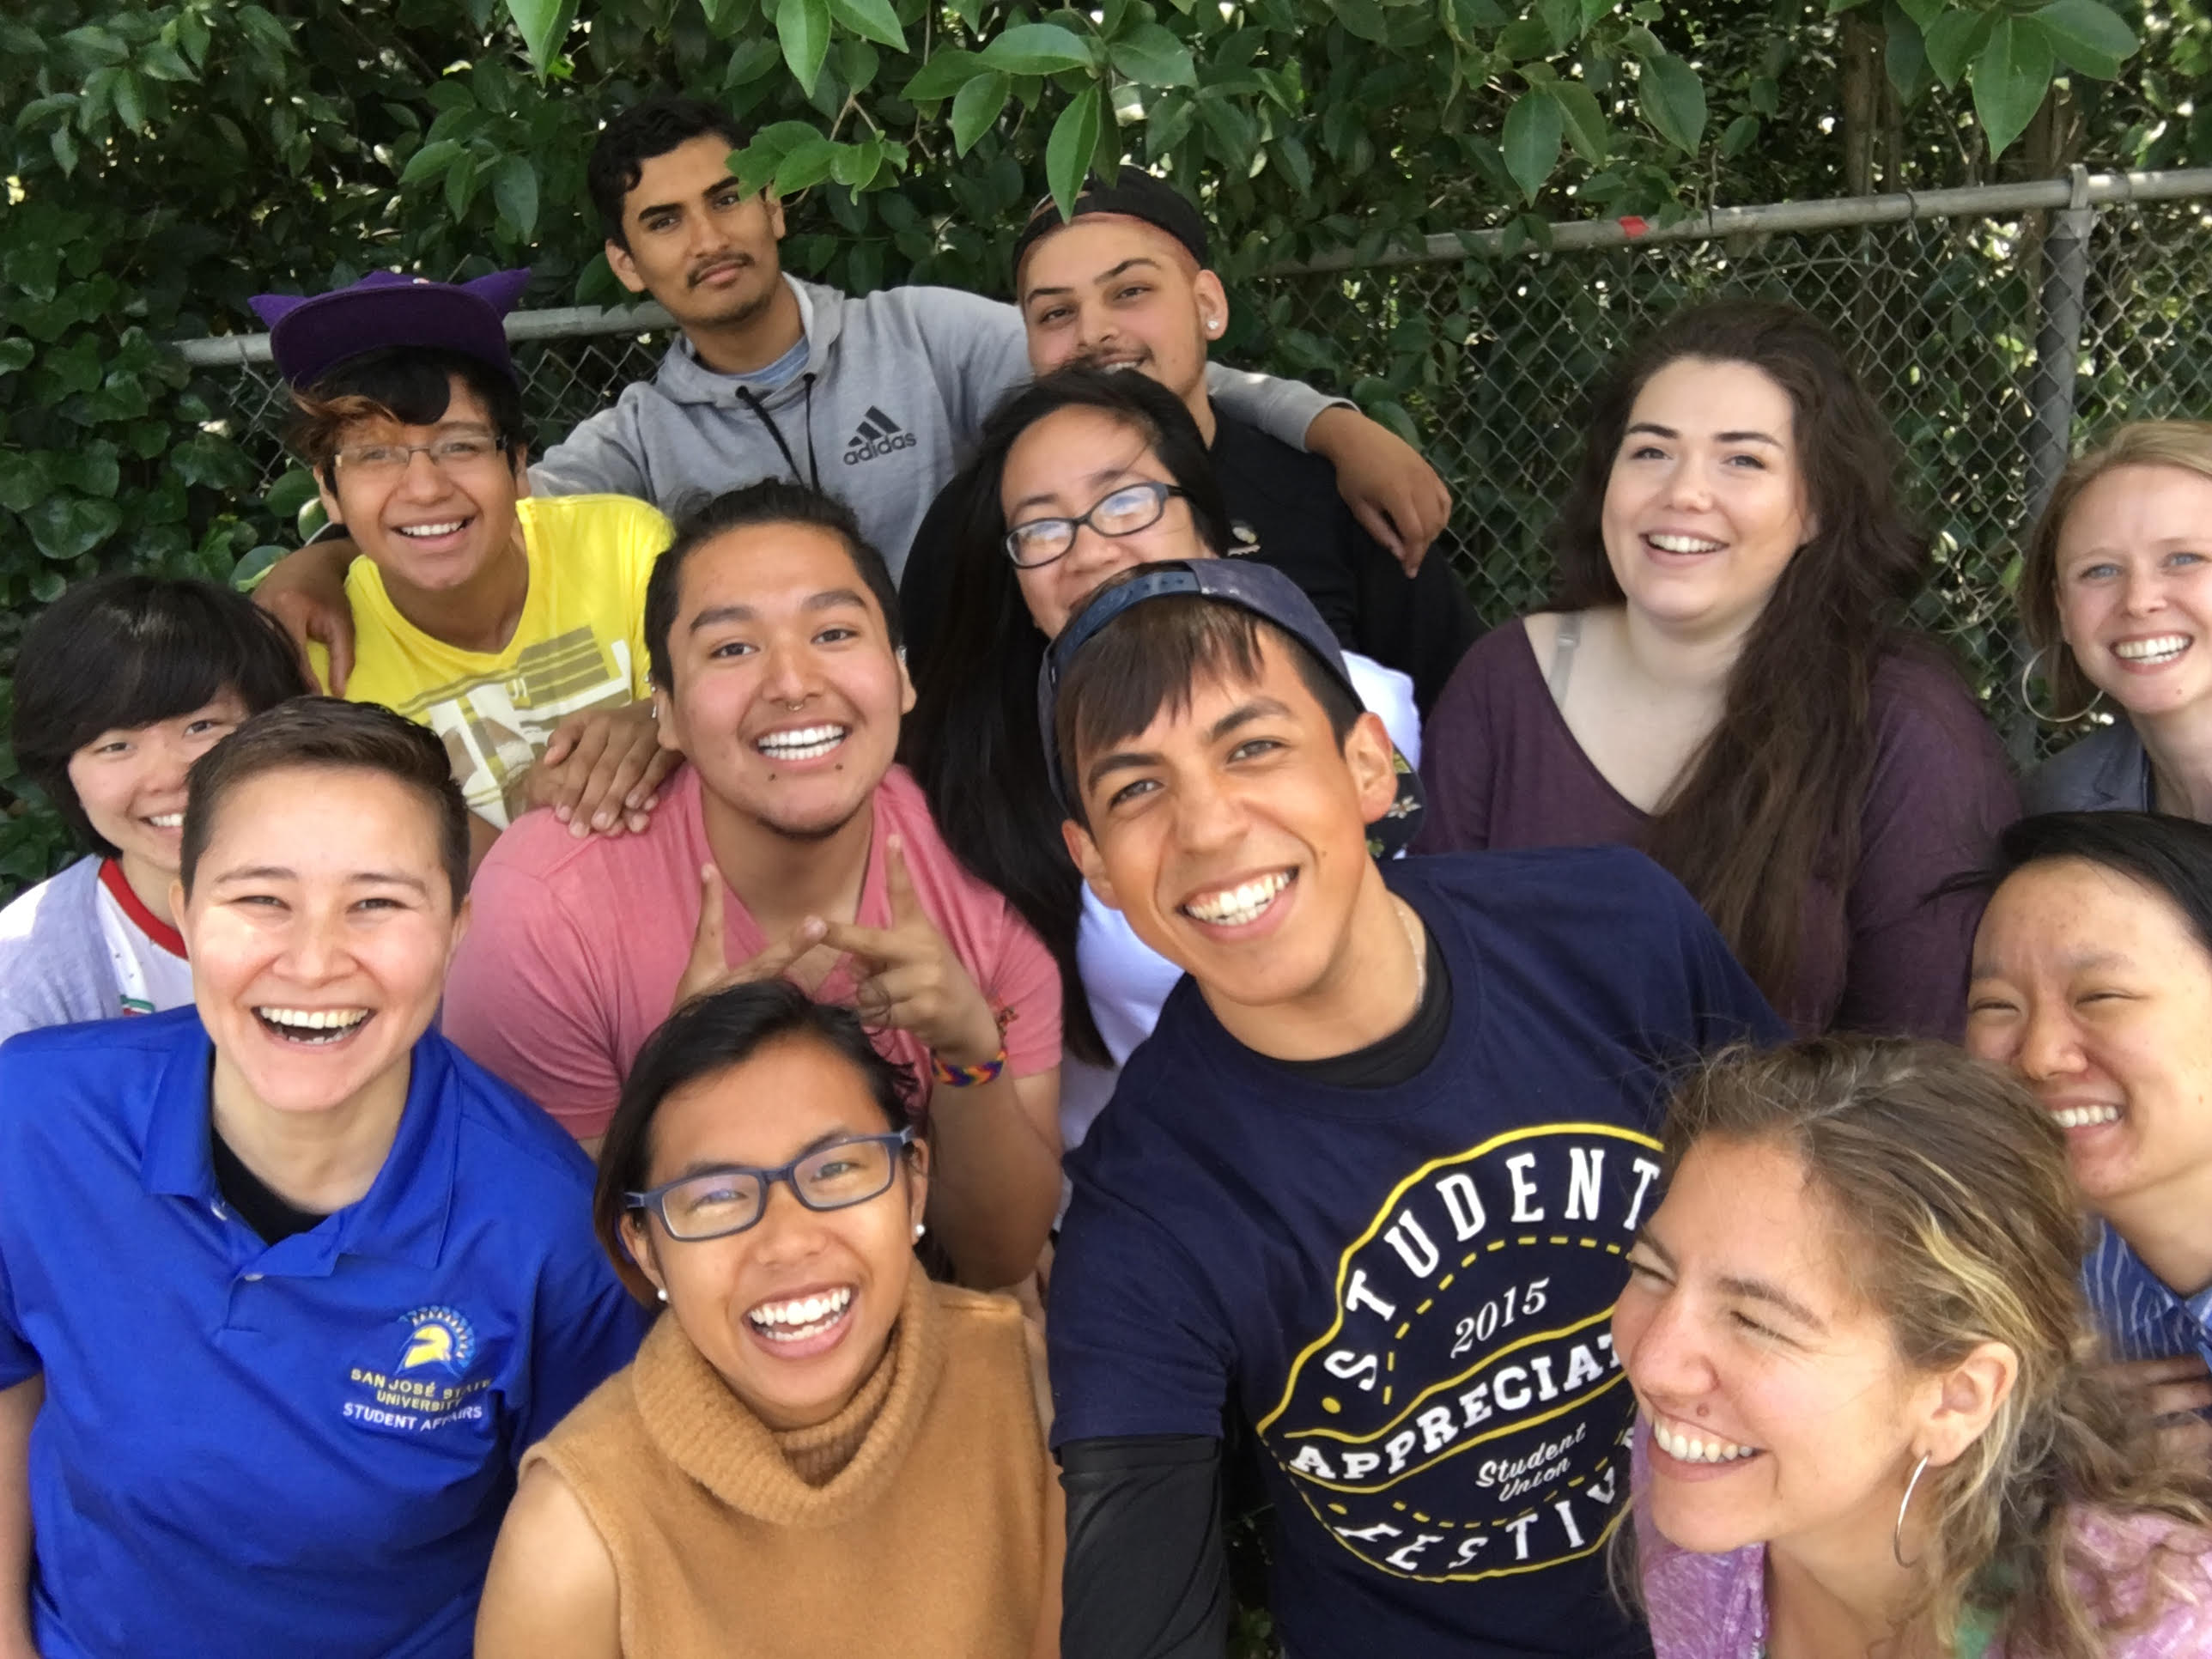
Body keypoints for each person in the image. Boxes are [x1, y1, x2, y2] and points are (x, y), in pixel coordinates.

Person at [1040, 560, 1784, 1659]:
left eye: (1252, 747)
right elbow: (1135, 1598)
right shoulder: (1145, 1215)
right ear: (1094, 863)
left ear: (1366, 765)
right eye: (1135, 789)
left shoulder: (1613, 935)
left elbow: (1838, 1229)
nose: (1204, 826)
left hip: (1747, 1607)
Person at [252, 94, 1451, 683]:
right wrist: (317, 560)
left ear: (777, 202)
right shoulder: (635, 446)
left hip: (988, 702)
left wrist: (1332, 424)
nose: (707, 236)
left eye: (728, 198)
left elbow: (1125, 370)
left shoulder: (923, 336)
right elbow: (452, 506)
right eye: (663, 222)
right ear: (628, 264)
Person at [0, 697, 642, 1658]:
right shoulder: (37, 1115)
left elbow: (594, 1536)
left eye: (377, 903)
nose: (311, 961)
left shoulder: (547, 1231)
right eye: (260, 898)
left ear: (459, 930)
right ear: (185, 912)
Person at [441, 480, 1061, 1290]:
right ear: (659, 709)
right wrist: (683, 1081)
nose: (792, 681)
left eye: (834, 631)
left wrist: (969, 1055)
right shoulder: (546, 909)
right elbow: (562, 1283)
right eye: (732, 648)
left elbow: (1000, 1256)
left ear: (904, 677)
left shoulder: (984, 871)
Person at [1414, 299, 2018, 1039]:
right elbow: (1429, 985)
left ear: (1816, 509)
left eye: (1743, 460)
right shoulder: (1506, 680)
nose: (1684, 493)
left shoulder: (1903, 724)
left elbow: (1921, 1059)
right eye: (1651, 452)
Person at [904, 366, 1424, 1153]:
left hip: (1361, 1155)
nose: (1089, 549)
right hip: (1133, 1188)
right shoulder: (971, 776)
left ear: (1210, 530)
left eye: (1124, 500)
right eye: (1042, 528)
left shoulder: (1363, 705)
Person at [474, 979, 1060, 1658]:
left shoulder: (1034, 1393)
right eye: (716, 1196)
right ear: (646, 1249)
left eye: (836, 1168)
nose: (788, 1240)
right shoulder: (574, 1530)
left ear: (914, 1185)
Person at [1617, 1036, 2212, 1659]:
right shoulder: (1699, 1480)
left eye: (1755, 1321)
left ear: (1958, 1397)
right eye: (1652, 1271)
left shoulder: (2161, 1636)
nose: (1655, 1368)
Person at [899, 171, 1479, 711]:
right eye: (1056, 313)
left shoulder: (1331, 499)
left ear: (1208, 305)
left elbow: (1461, 725)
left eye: (1129, 292)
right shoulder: (971, 525)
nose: (1095, 331)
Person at [251, 267, 677, 861]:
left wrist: (664, 720)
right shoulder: (311, 657)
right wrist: (533, 822)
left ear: (519, 466)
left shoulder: (623, 546)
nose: (424, 489)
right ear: (326, 490)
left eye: (461, 445)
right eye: (375, 455)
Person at [1964, 811, 2212, 1449]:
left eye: (2101, 997)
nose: (2041, 1055)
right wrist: (2043, 1442)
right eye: (1996, 1007)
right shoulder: (1998, 1267)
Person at [0, 574, 308, 1042]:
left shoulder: (376, 892)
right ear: (64, 772)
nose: (169, 776)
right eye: (116, 745)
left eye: (202, 726)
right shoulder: (27, 976)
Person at [2015, 422, 2212, 817]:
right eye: (2100, 571)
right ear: (2062, 611)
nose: (2138, 601)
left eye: (2184, 559)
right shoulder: (2056, 806)